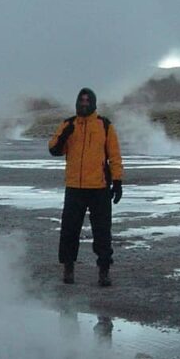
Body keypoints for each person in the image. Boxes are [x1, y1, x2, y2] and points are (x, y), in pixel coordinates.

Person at [49, 87, 124, 286]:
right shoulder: (68, 124)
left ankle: (104, 271)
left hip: (99, 187)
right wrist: (65, 134)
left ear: (93, 103)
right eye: (81, 100)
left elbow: (114, 156)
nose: (84, 103)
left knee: (102, 232)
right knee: (69, 230)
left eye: (87, 100)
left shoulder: (104, 125)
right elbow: (53, 149)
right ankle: (68, 268)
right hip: (74, 187)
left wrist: (117, 181)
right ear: (76, 103)